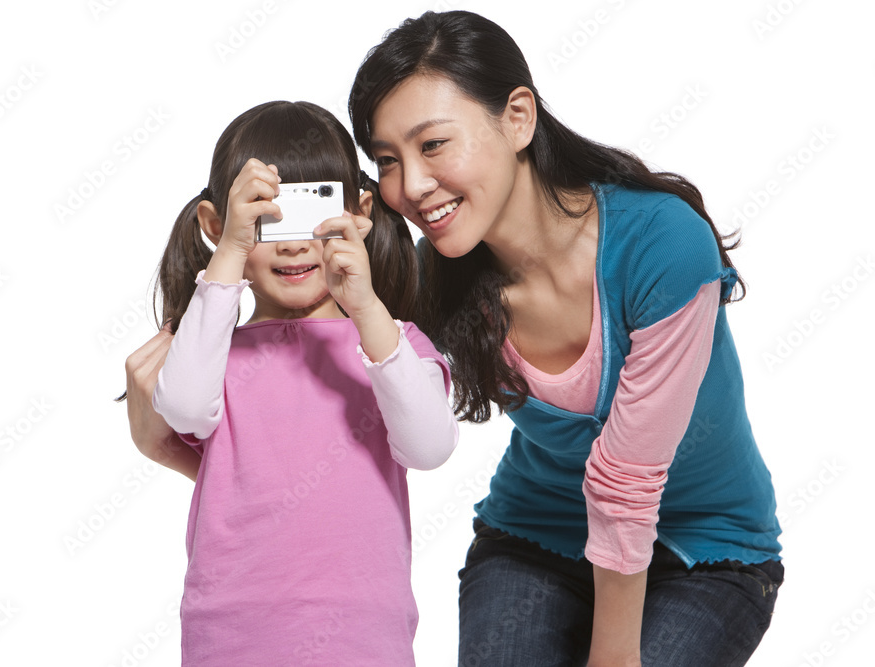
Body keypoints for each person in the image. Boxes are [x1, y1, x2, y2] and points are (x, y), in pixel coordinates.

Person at [348, 10, 783, 667]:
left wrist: (611, 656)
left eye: (432, 144)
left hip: (706, 550)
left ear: (518, 117)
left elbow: (625, 480)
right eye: (387, 161)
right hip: (536, 537)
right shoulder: (434, 280)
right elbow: (365, 429)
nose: (410, 186)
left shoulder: (662, 243)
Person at [126, 100, 458, 666]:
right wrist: (230, 251)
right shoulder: (211, 354)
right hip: (230, 638)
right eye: (268, 218)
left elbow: (429, 447)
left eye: (314, 211)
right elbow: (182, 409)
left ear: (359, 211)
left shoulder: (392, 343)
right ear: (216, 225)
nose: (294, 243)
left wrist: (367, 309)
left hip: (364, 639)